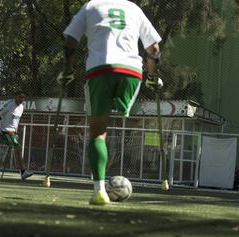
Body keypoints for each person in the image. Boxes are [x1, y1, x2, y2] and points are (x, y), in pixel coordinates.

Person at [58, 0, 163, 205]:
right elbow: (153, 47)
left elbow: (70, 40)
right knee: (121, 120)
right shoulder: (134, 9)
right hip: (131, 72)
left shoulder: (90, 6)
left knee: (98, 131)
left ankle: (99, 190)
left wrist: (68, 70)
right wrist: (152, 75)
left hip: (100, 69)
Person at [0, 93, 33, 180]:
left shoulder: (22, 107)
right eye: (20, 97)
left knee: (17, 148)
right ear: (16, 96)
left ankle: (22, 172)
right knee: (17, 147)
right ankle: (23, 172)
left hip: (13, 132)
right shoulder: (9, 104)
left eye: (23, 97)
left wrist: (16, 132)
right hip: (5, 131)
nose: (21, 99)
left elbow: (16, 122)